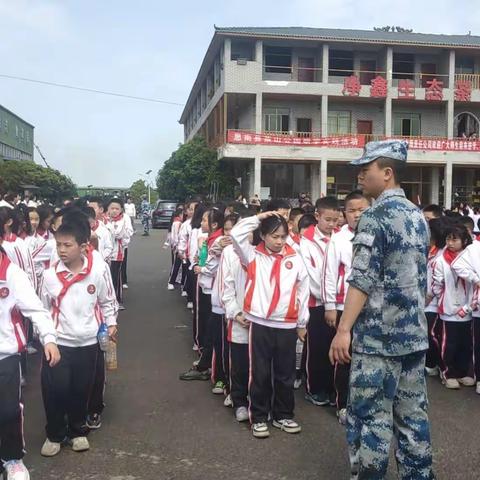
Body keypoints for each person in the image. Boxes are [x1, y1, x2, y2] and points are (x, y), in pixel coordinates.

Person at [329, 140, 434, 479]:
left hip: (377, 341)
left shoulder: (375, 217)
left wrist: (344, 330)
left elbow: (362, 280)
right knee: (412, 418)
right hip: (413, 337)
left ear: (387, 174)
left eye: (367, 168)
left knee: (370, 418)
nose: (361, 174)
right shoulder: (418, 217)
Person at [39, 218, 118, 457]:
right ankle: (54, 434)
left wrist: (111, 323)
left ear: (84, 246)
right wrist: (47, 338)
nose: (61, 250)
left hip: (88, 342)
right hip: (60, 343)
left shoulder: (96, 272)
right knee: (56, 389)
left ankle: (77, 430)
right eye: (58, 245)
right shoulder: (49, 276)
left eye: (67, 245)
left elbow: (107, 301)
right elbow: (42, 310)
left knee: (81, 389)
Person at [230, 212, 310, 439]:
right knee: (260, 372)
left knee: (285, 373)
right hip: (260, 322)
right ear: (263, 236)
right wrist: (258, 217)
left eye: (283, 236)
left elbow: (303, 292)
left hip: (287, 324)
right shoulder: (252, 256)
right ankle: (259, 416)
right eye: (274, 236)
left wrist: (302, 322)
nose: (279, 241)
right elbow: (236, 233)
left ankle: (283, 415)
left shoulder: (295, 258)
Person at [0, 208, 60, 480]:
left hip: (6, 355)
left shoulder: (10, 273)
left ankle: (13, 459)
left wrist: (48, 338)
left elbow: (36, 309)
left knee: (9, 410)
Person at [323, 191, 369, 425]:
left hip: (371, 309)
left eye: (361, 210)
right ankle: (342, 404)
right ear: (344, 214)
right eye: (351, 211)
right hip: (344, 306)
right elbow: (330, 274)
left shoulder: (376, 235)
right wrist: (330, 306)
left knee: (368, 357)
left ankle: (365, 405)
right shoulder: (339, 239)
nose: (357, 215)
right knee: (344, 356)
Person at [299, 197, 340, 407]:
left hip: (337, 302)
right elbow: (312, 276)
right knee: (317, 348)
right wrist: (326, 297)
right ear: (317, 216)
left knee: (336, 347)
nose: (332, 225)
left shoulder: (341, 239)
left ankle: (335, 389)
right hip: (315, 303)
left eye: (335, 220)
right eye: (328, 220)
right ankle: (315, 388)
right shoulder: (305, 242)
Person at [432, 223, 474, 390]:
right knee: (449, 343)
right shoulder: (440, 259)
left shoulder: (471, 257)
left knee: (465, 343)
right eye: (448, 239)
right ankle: (447, 372)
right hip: (448, 309)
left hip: (468, 307)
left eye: (454, 239)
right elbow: (436, 284)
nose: (450, 243)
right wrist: (443, 297)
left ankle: (463, 372)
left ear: (464, 241)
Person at [451, 224, 480, 394]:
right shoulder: (474, 248)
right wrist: (476, 279)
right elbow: (457, 265)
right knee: (478, 344)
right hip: (478, 307)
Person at [424, 217, 447, 378]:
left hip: (434, 302)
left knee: (432, 335)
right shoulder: (430, 250)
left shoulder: (442, 254)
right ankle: (432, 364)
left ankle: (440, 364)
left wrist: (428, 297)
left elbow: (436, 282)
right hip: (427, 301)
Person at [106, 198, 133, 310]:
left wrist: (119, 236)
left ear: (121, 209)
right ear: (107, 209)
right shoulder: (105, 219)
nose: (114, 211)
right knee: (106, 277)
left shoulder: (125, 218)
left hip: (118, 252)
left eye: (117, 208)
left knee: (116, 276)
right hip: (105, 253)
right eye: (112, 208)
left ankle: (117, 299)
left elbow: (126, 233)